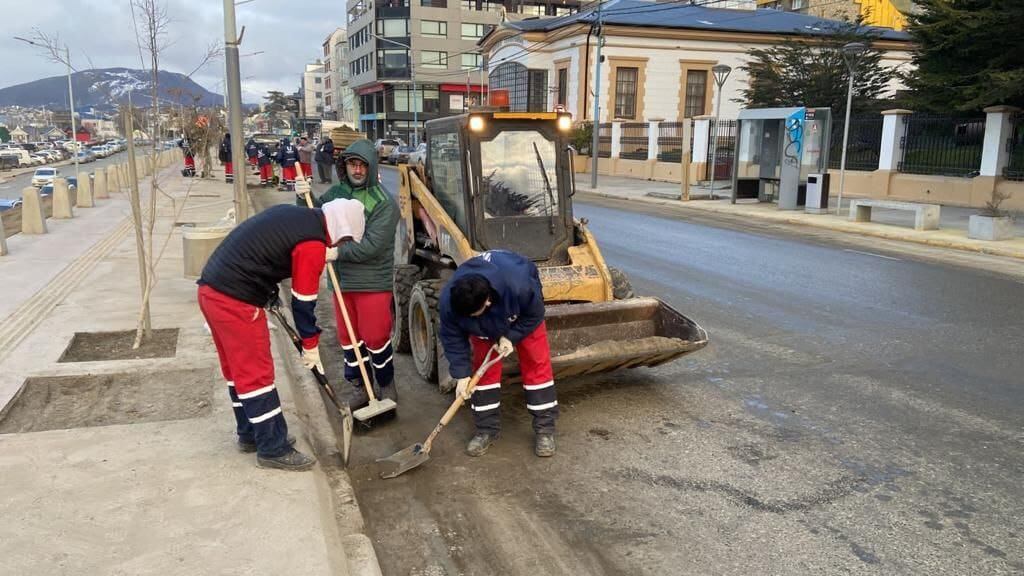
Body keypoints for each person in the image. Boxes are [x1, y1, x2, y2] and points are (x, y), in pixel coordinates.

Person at [197, 198, 366, 470]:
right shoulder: (312, 244)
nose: (338, 246)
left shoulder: (297, 216)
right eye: (343, 240)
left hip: (212, 291)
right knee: (257, 375)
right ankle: (273, 448)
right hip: (234, 301)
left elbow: (266, 252)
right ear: (340, 228)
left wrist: (269, 291)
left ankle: (251, 433)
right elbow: (303, 302)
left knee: (237, 372)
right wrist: (310, 345)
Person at [298, 139, 399, 409]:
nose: (356, 170)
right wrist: (301, 195)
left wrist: (337, 253)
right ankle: (360, 387)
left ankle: (386, 382)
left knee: (375, 337)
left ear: (370, 167)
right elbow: (311, 217)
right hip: (341, 281)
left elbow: (373, 246)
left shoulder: (384, 203)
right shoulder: (336, 193)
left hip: (371, 282)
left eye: (361, 165)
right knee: (349, 338)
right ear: (344, 167)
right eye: (352, 164)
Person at [439, 250, 558, 458]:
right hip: (485, 325)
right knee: (482, 374)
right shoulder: (450, 301)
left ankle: (545, 429)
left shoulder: (519, 285)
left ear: (487, 302)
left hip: (521, 315)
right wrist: (461, 375)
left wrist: (511, 336)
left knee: (536, 365)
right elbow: (452, 337)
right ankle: (486, 430)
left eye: (474, 314)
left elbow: (535, 313)